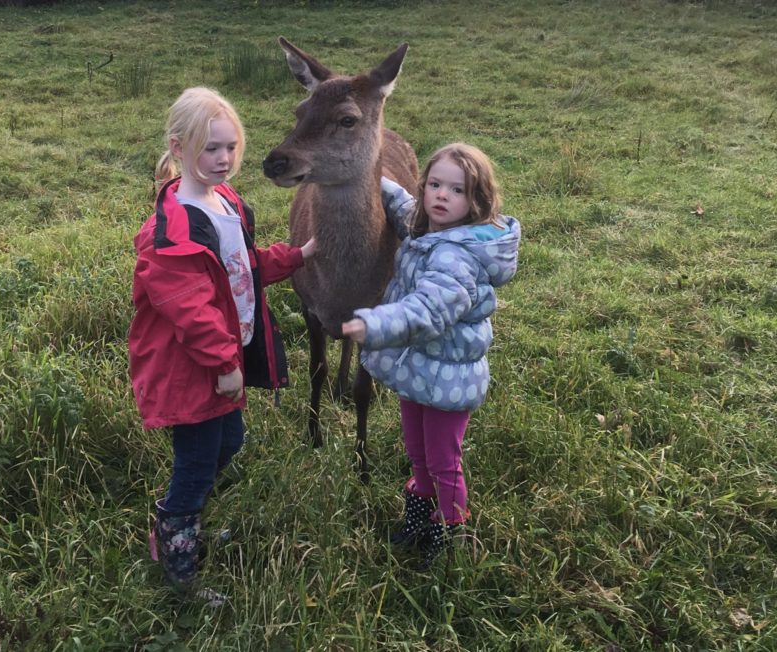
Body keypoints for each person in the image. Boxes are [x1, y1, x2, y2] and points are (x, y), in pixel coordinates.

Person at [128, 87, 316, 602]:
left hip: (222, 361)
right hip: (191, 369)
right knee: (195, 463)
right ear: (179, 147)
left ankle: (181, 525)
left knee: (230, 443)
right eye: (211, 148)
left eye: (231, 147)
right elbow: (191, 307)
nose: (224, 158)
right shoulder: (171, 230)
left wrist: (297, 255)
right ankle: (177, 562)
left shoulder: (226, 202)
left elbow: (244, 267)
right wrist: (224, 363)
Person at [341, 143, 520, 566]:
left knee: (444, 462)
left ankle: (448, 537)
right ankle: (419, 520)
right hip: (423, 372)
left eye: (456, 190)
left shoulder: (457, 257)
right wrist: (365, 172)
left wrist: (376, 325)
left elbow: (428, 311)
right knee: (418, 452)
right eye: (435, 185)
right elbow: (402, 206)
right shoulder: (429, 230)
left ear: (476, 202)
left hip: (450, 381)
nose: (442, 195)